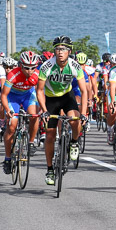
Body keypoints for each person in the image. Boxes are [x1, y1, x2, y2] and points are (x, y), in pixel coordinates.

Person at [36, 36, 89, 186]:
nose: (60, 52)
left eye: (64, 49)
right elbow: (39, 91)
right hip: (50, 99)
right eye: (58, 49)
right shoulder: (46, 66)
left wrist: (84, 113)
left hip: (67, 97)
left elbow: (84, 91)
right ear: (55, 51)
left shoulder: (75, 66)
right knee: (50, 134)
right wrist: (45, 110)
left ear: (69, 51)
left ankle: (74, 142)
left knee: (74, 119)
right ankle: (50, 169)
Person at [1, 50, 41, 174]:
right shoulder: (13, 74)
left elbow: (40, 93)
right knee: (12, 126)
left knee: (35, 116)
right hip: (12, 98)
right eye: (26, 68)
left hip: (28, 96)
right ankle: (7, 158)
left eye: (33, 68)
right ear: (20, 65)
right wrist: (7, 110)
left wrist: (43, 110)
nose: (30, 71)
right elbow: (4, 95)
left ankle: (31, 142)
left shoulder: (38, 75)